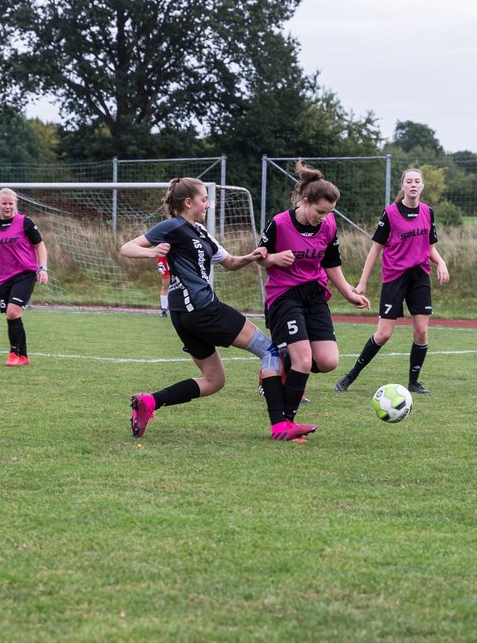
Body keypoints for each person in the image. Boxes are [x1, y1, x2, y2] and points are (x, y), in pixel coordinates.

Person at [120, 177, 314, 441]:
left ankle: (149, 403)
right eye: (204, 199)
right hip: (202, 309)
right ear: (188, 202)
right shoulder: (174, 226)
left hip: (186, 315)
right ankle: (281, 425)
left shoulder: (201, 233)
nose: (208, 204)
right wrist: (152, 253)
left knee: (214, 380)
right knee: (270, 352)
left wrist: (251, 257)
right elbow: (127, 247)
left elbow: (231, 262)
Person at [259, 160, 369, 422]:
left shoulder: (329, 225)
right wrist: (274, 259)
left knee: (329, 361)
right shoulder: (279, 224)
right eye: (320, 211)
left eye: (329, 212)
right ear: (305, 201)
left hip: (315, 294)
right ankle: (286, 421)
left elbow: (331, 264)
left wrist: (349, 293)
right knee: (304, 361)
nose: (324, 217)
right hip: (284, 295)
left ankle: (283, 356)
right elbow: (260, 257)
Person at [334, 167, 449, 395]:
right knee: (384, 334)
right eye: (409, 181)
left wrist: (441, 262)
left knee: (421, 332)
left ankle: (414, 383)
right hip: (395, 277)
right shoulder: (390, 214)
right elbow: (375, 249)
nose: (413, 184)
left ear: (422, 186)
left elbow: (430, 248)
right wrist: (363, 282)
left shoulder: (428, 212)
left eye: (417, 181)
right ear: (403, 186)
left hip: (419, 276)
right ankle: (350, 376)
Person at [0, 188, 49, 366]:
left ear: (16, 204)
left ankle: (13, 354)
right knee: (12, 315)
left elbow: (40, 246)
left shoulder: (25, 222)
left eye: (11, 203)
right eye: (4, 203)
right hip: (3, 278)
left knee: (13, 312)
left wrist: (42, 268)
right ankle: (24, 356)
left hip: (25, 274)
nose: (7, 206)